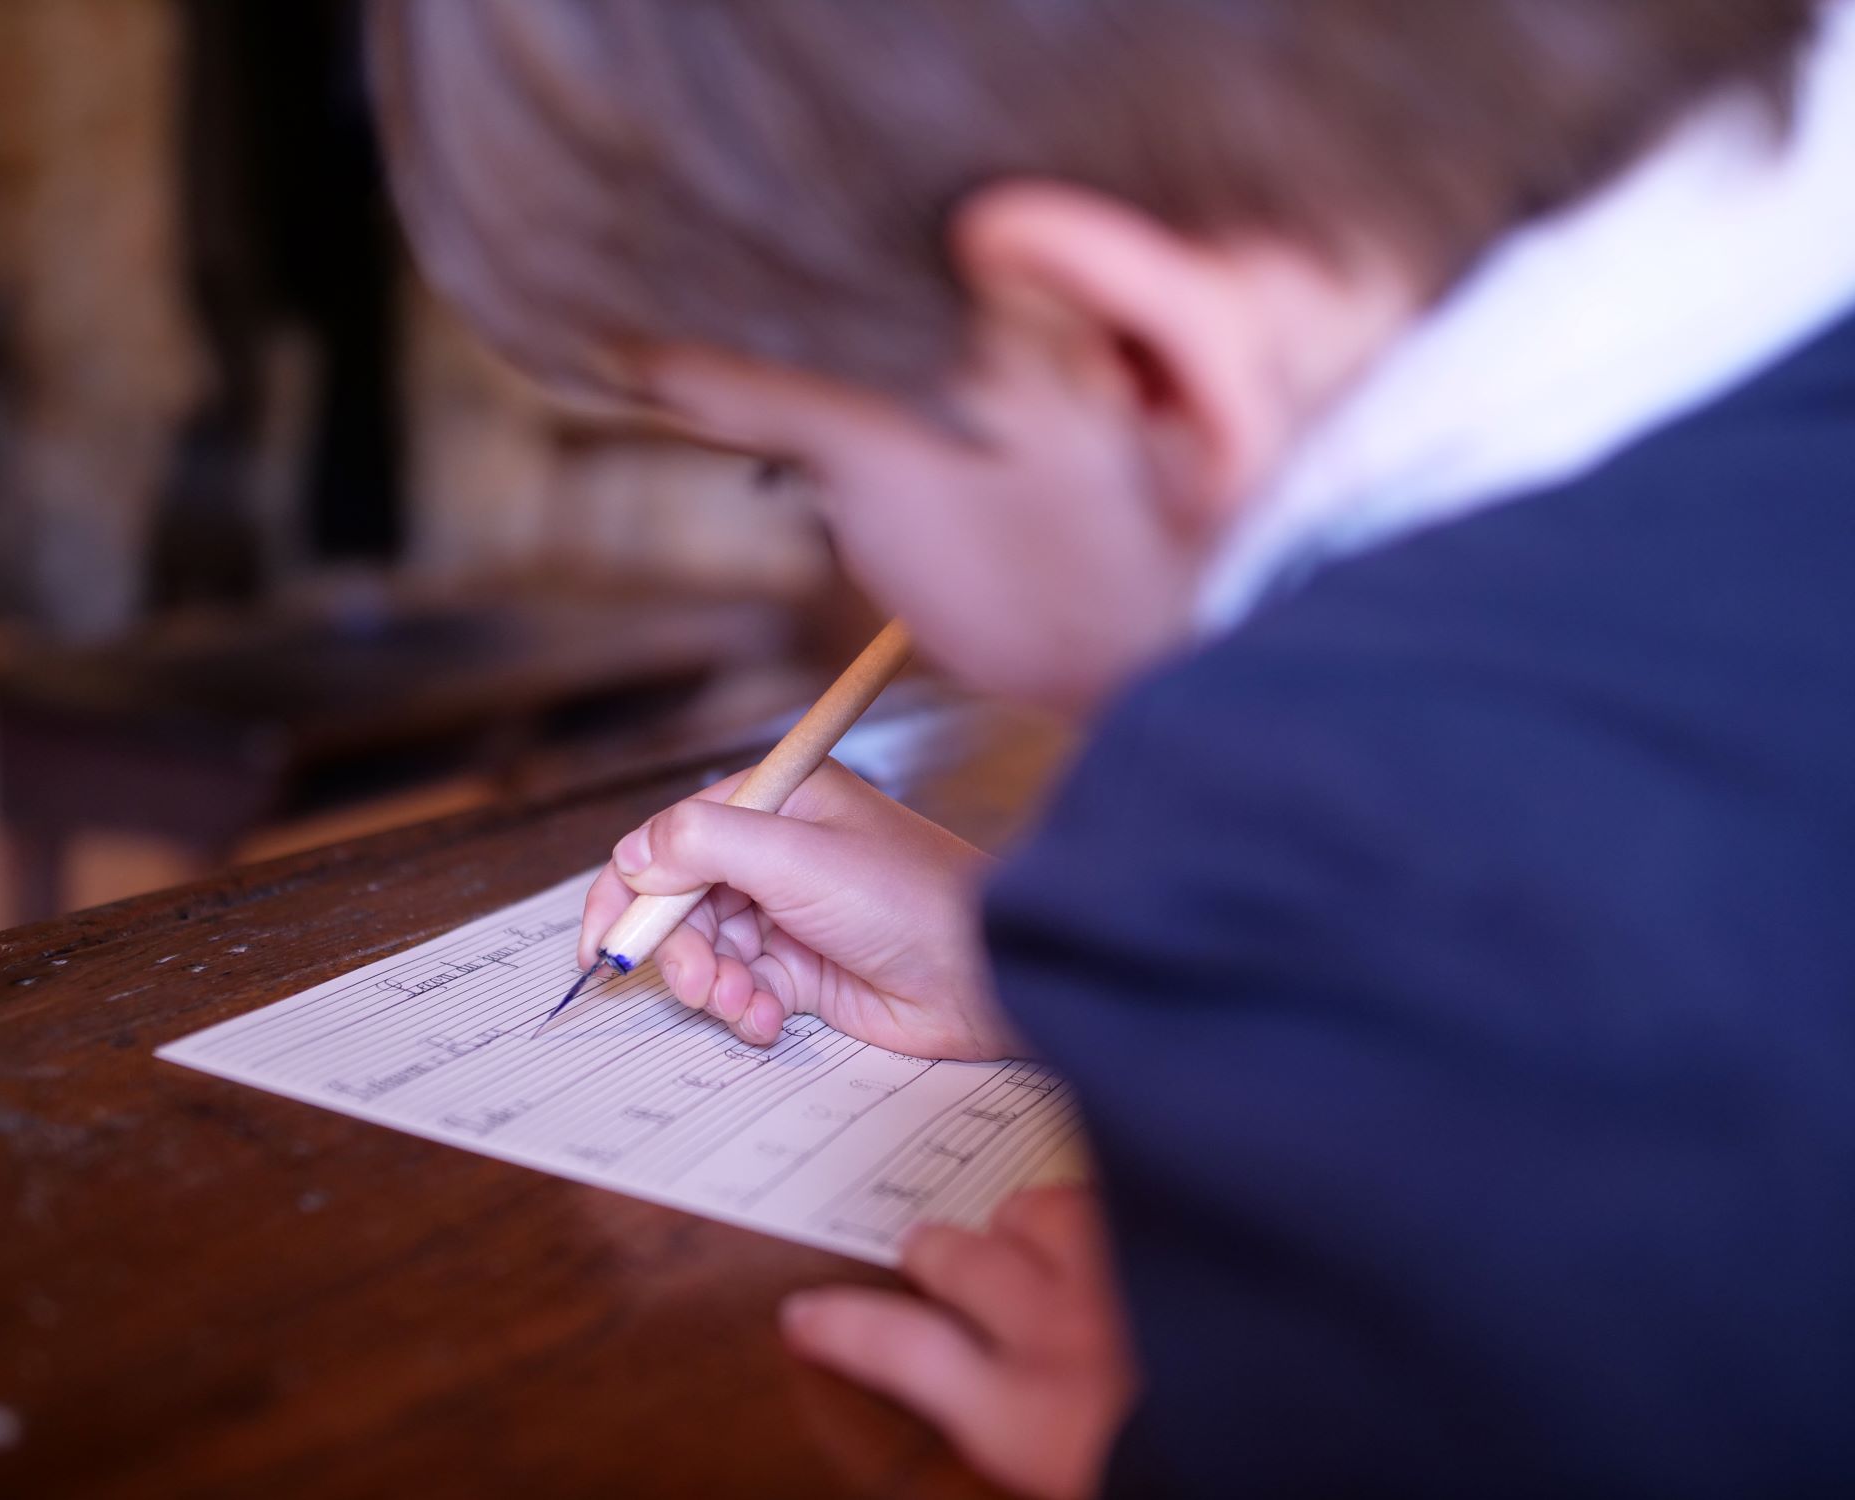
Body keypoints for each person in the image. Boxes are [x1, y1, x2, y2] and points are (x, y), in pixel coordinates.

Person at [369, 2, 1855, 1493]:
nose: (848, 552)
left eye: (799, 471)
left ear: (1133, 359)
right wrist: (997, 961)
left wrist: (1212, 1445)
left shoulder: (1309, 826)